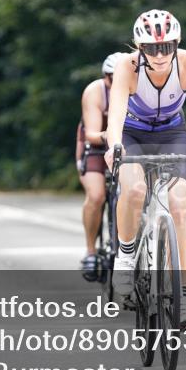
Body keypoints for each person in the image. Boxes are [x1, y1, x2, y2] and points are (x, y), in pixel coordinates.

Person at [104, 10, 186, 329]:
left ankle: (183, 297)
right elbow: (115, 114)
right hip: (133, 133)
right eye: (152, 48)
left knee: (179, 205)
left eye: (166, 46)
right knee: (135, 189)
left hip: (172, 133)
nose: (160, 54)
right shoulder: (126, 67)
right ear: (139, 48)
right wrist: (115, 146)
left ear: (177, 43)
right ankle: (125, 260)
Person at [77, 52, 125, 281]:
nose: (117, 83)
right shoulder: (95, 92)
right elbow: (92, 134)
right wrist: (112, 135)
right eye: (112, 78)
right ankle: (90, 251)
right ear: (106, 79)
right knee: (96, 196)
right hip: (97, 145)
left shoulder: (137, 88)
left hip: (128, 146)